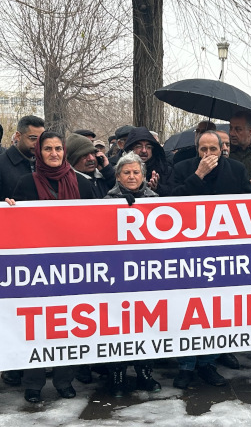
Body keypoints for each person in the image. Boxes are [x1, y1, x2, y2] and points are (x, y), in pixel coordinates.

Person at [168, 131, 251, 388]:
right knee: (189, 311)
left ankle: (208, 363)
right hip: (188, 253)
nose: (208, 154)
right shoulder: (183, 169)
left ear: (222, 149)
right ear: (197, 150)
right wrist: (198, 176)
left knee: (216, 311)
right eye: (203, 149)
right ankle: (185, 366)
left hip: (223, 253)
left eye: (212, 149)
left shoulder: (236, 169)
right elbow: (170, 202)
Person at [7, 132, 82, 402]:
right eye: (48, 148)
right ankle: (34, 383)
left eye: (58, 148)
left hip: (74, 267)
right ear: (39, 152)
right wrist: (8, 209)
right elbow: (14, 226)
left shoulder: (81, 183)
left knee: (69, 325)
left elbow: (101, 216)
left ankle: (64, 380)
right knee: (38, 326)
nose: (54, 153)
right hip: (37, 267)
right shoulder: (26, 183)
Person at [102, 152, 162, 396]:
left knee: (146, 326)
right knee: (117, 327)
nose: (131, 176)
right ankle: (116, 375)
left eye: (136, 172)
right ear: (118, 176)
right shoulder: (106, 201)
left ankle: (144, 372)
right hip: (117, 274)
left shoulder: (156, 201)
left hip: (146, 274)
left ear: (143, 176)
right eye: (126, 172)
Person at [0, 115, 45, 201]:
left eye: (41, 139)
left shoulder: (44, 163)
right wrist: (6, 204)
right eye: (33, 138)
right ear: (18, 136)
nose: (37, 143)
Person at [122, 126, 172, 196]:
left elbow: (173, 193)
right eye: (139, 146)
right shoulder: (121, 169)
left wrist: (157, 188)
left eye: (148, 147)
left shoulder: (165, 170)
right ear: (130, 149)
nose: (144, 150)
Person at [66, 133, 115, 199]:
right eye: (84, 155)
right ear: (73, 160)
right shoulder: (68, 183)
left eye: (93, 153)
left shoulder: (104, 176)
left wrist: (107, 171)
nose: (91, 158)